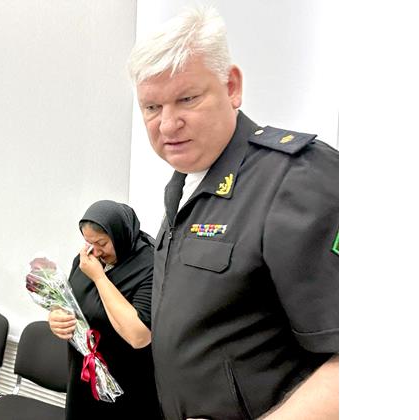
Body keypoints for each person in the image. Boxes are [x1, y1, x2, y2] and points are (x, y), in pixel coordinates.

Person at [127, 6, 338, 420]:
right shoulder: (185, 185)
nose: (167, 125)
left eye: (187, 98)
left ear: (232, 87)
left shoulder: (294, 178)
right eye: (151, 107)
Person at [48, 200, 162, 419]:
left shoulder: (151, 265)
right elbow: (68, 302)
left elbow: (139, 335)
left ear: (120, 235)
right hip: (84, 376)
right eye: (89, 242)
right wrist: (56, 316)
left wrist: (99, 277)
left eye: (102, 243)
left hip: (128, 384)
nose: (96, 251)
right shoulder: (86, 259)